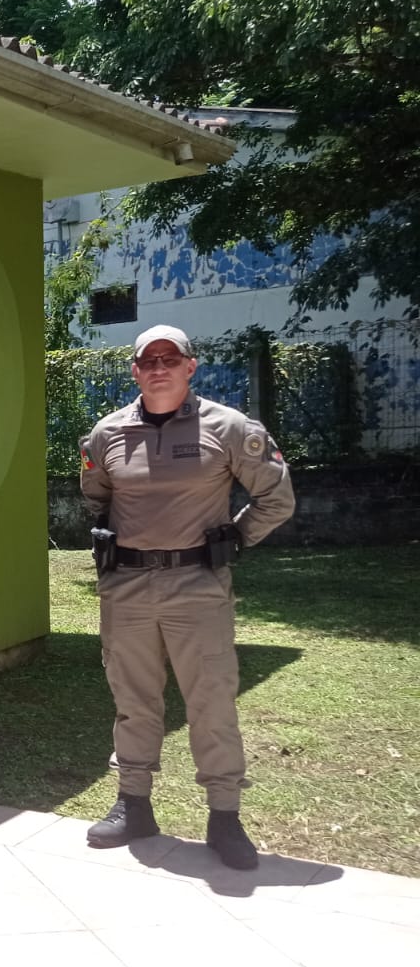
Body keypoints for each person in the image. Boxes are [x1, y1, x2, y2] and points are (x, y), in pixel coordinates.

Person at [79, 324, 295, 869]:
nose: (158, 368)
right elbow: (95, 499)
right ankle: (135, 805)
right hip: (126, 589)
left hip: (197, 588)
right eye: (147, 359)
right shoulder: (107, 434)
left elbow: (276, 496)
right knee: (133, 701)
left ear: (190, 366)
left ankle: (224, 817)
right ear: (134, 370)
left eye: (169, 358)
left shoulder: (228, 428)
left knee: (211, 703)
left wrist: (234, 539)